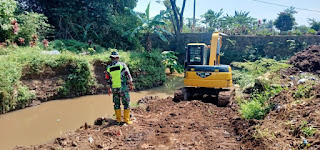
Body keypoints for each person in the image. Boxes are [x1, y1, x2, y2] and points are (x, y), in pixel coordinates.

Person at [105, 51, 134, 125]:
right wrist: (131, 84)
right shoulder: (122, 65)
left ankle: (118, 120)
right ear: (117, 57)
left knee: (116, 104)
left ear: (111, 58)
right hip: (123, 88)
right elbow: (128, 75)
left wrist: (109, 89)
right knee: (126, 103)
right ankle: (126, 120)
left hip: (114, 89)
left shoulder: (108, 68)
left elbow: (107, 79)